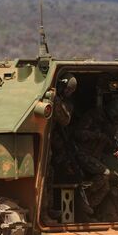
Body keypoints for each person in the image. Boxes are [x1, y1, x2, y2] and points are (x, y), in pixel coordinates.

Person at [73, 97, 118, 220]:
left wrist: (115, 151)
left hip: (94, 158)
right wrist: (98, 136)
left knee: (106, 186)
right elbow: (78, 133)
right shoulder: (93, 116)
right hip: (81, 155)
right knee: (106, 173)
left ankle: (86, 209)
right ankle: (81, 199)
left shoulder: (110, 126)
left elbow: (107, 147)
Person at [41, 72, 77, 225]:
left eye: (70, 91)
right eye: (67, 89)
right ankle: (43, 213)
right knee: (43, 176)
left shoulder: (64, 103)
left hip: (51, 145)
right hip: (41, 144)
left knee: (49, 174)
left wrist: (56, 100)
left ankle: (47, 210)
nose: (68, 93)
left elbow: (65, 120)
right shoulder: (48, 96)